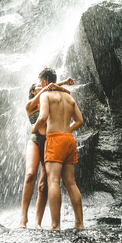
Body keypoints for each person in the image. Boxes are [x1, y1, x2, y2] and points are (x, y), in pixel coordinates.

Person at [31, 67, 84, 231]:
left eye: (41, 83)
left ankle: (55, 225)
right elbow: (80, 120)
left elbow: (43, 117)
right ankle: (79, 223)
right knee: (71, 183)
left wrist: (34, 128)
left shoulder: (46, 95)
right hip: (69, 140)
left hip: (54, 140)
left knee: (53, 181)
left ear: (45, 82)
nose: (41, 86)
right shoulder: (69, 97)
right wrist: (67, 130)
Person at [19, 76, 75, 229]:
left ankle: (37, 222)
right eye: (39, 85)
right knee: (30, 175)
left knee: (44, 185)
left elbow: (55, 90)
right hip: (35, 140)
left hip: (50, 142)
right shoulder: (30, 105)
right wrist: (59, 83)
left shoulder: (48, 101)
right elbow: (48, 87)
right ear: (32, 91)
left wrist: (63, 85)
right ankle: (23, 218)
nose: (43, 86)